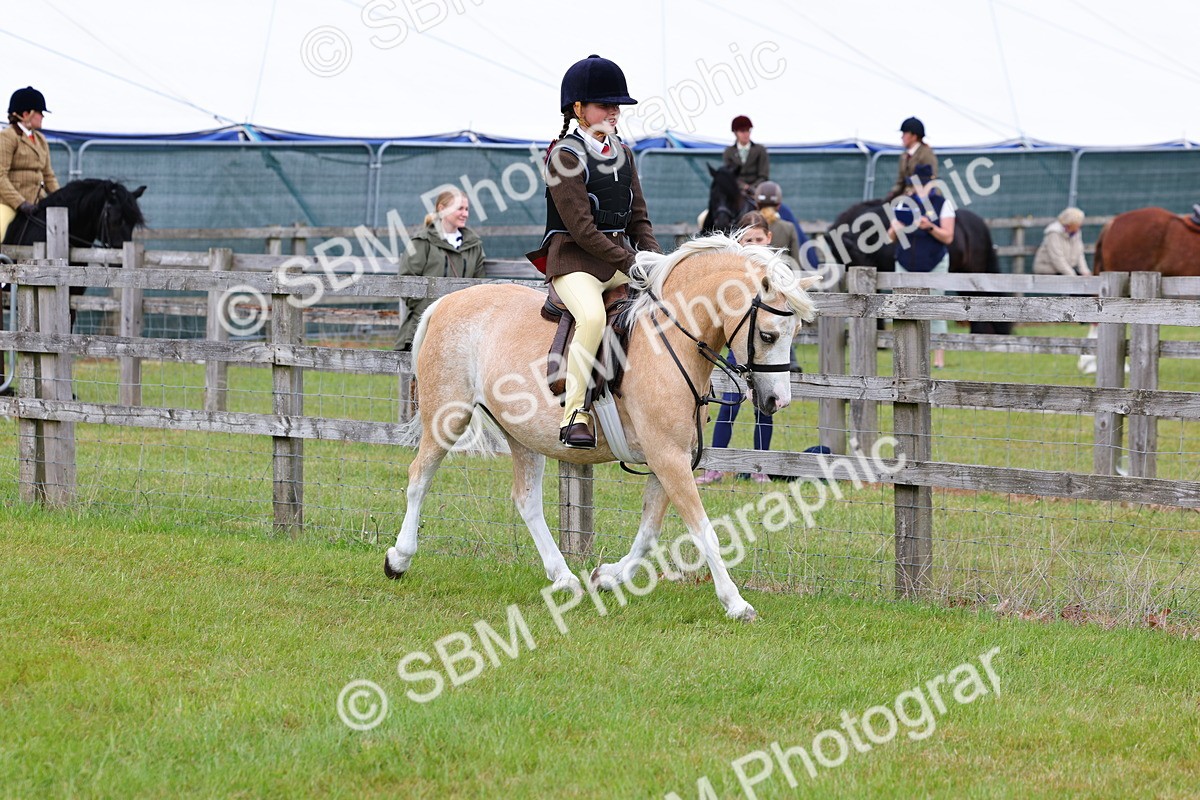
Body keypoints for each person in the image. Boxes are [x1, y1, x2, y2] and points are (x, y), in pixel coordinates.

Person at [530, 55, 659, 449]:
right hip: (575, 262)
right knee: (591, 317)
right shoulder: (563, 157)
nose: (614, 112)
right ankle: (575, 414)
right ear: (578, 109)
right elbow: (583, 231)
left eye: (617, 106)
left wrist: (656, 261)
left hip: (618, 259)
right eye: (605, 105)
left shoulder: (624, 153)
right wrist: (632, 262)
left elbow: (638, 218)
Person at [695, 212, 779, 486]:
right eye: (748, 240)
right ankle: (714, 468)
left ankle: (760, 468)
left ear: (769, 238)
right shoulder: (736, 275)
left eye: (759, 239)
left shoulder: (777, 274)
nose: (754, 244)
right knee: (728, 406)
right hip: (739, 350)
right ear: (739, 242)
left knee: (764, 408)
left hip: (765, 352)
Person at [395, 187, 485, 351]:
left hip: (464, 328)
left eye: (466, 209)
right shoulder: (422, 242)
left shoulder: (474, 246)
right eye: (459, 208)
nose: (465, 214)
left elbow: (481, 286)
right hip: (425, 326)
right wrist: (431, 312)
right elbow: (406, 283)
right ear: (442, 209)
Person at [888, 163, 953, 369]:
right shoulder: (904, 203)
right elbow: (889, 237)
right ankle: (904, 355)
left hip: (934, 262)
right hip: (906, 262)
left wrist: (930, 226)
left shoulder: (943, 204)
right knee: (902, 308)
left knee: (936, 308)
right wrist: (895, 228)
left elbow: (948, 236)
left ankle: (938, 359)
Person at [0, 86, 59, 241]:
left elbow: (48, 176)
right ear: (26, 114)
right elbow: (0, 177)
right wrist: (21, 203)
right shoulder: (7, 137)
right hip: (9, 204)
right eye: (40, 112)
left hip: (38, 203)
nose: (42, 116)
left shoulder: (41, 139)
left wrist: (61, 198)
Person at [753, 181, 803, 270]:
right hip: (782, 276)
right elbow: (796, 263)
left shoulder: (747, 225)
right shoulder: (789, 227)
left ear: (756, 204)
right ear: (779, 206)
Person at [885, 116, 936, 202]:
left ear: (914, 136)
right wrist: (892, 194)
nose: (902, 137)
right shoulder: (904, 156)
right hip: (906, 197)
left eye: (904, 134)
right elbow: (901, 182)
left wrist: (912, 192)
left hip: (923, 199)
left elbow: (930, 180)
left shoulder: (926, 154)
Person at [1033, 207, 1091, 276]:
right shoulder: (1053, 233)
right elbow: (1057, 258)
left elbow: (1079, 254)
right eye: (1077, 224)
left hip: (1063, 272)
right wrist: (1072, 275)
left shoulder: (1076, 233)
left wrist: (1085, 272)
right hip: (1048, 272)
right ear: (1070, 223)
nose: (1079, 227)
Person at [722, 115, 769, 195]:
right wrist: (743, 186)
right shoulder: (729, 152)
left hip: (756, 191)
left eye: (748, 130)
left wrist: (752, 187)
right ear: (735, 132)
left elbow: (764, 175)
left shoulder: (760, 150)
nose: (746, 134)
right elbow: (729, 175)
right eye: (742, 131)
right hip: (736, 191)